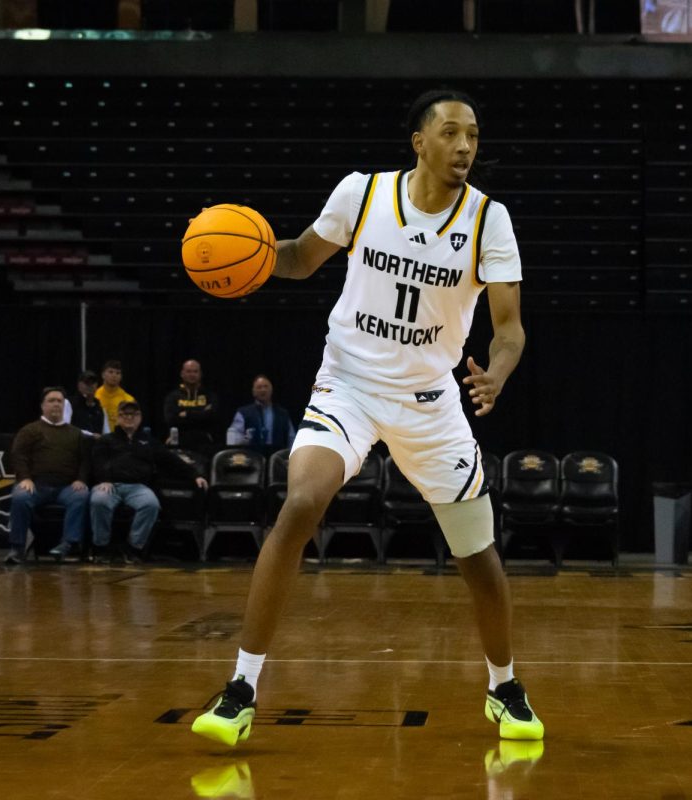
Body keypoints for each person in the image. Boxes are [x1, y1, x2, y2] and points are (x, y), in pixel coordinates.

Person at [192, 89, 543, 747]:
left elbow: (509, 329)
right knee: (301, 503)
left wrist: (496, 372)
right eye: (450, 133)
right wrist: (244, 253)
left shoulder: (489, 221)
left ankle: (505, 685)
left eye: (473, 135)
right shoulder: (362, 194)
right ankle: (241, 689)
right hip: (348, 385)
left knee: (478, 557)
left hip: (431, 405)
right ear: (419, 141)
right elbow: (298, 258)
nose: (464, 146)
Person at [89, 401, 207, 563]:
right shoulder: (106, 440)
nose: (129, 418)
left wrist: (195, 475)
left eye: (134, 414)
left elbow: (170, 460)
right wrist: (104, 479)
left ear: (140, 417)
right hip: (110, 484)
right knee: (99, 500)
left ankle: (133, 548)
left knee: (150, 504)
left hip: (138, 487)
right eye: (125, 414)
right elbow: (98, 461)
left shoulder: (148, 441)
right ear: (118, 417)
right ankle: (100, 548)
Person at [7, 387, 90, 564]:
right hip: (36, 484)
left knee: (81, 495)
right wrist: (25, 478)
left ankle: (68, 545)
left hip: (66, 487)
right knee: (20, 497)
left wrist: (81, 479)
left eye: (59, 401)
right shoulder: (30, 430)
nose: (56, 404)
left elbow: (85, 460)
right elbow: (18, 455)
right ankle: (17, 548)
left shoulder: (76, 433)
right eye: (51, 400)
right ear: (42, 406)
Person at [225, 375, 295, 456]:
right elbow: (233, 441)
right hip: (251, 459)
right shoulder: (243, 413)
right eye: (259, 387)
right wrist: (245, 440)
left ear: (271, 390)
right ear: (253, 391)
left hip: (277, 458)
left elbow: (291, 439)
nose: (263, 390)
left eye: (266, 387)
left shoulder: (282, 414)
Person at [163, 359, 220, 454]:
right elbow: (170, 420)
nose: (192, 374)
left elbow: (213, 418)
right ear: (182, 374)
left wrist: (186, 414)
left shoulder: (210, 396)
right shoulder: (173, 396)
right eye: (188, 371)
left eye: (195, 371)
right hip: (179, 443)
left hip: (205, 443)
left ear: (200, 374)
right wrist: (202, 413)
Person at [63, 369, 109, 437]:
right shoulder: (68, 403)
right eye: (87, 383)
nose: (90, 386)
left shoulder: (100, 408)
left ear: (96, 385)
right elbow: (65, 428)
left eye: (92, 383)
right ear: (79, 385)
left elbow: (106, 433)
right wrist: (91, 435)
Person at [94, 360, 135, 433]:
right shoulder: (95, 396)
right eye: (110, 372)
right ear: (103, 375)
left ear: (121, 377)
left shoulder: (128, 400)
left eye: (118, 373)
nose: (114, 375)